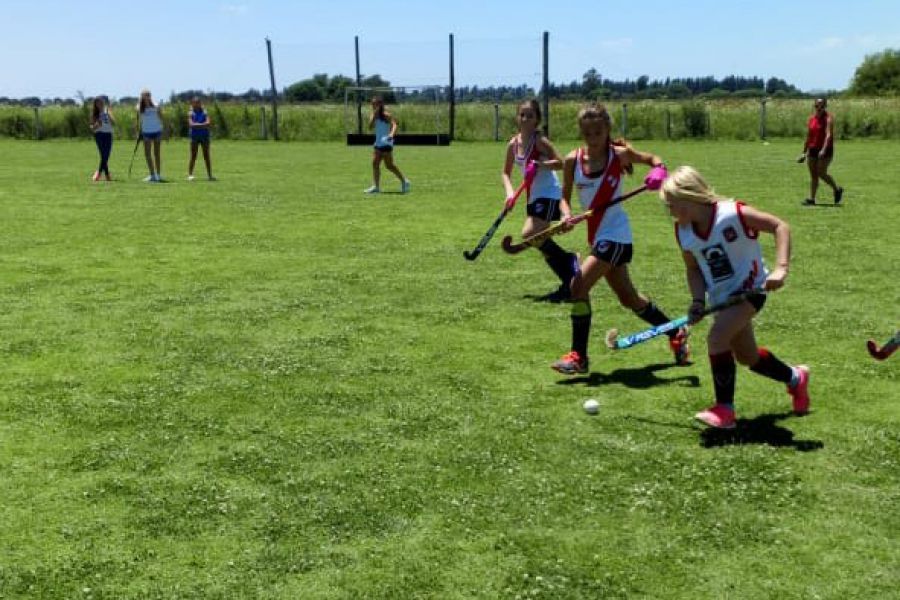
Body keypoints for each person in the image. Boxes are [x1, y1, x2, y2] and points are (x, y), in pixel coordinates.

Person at [660, 166, 810, 430]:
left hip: (750, 291)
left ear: (691, 197)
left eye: (672, 205)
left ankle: (724, 410)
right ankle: (796, 378)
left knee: (717, 338)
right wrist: (697, 301)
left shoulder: (733, 213)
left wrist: (781, 268)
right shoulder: (682, 231)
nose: (670, 212)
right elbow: (693, 268)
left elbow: (779, 226)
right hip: (722, 299)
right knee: (748, 357)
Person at [551, 104, 688, 375]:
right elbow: (563, 199)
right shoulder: (571, 161)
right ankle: (675, 331)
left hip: (617, 235)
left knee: (577, 286)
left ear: (607, 130)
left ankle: (578, 357)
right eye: (587, 132)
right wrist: (565, 216)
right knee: (630, 299)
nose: (593, 137)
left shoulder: (619, 155)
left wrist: (659, 172)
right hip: (597, 236)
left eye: (598, 131)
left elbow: (655, 160)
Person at [502, 99, 578, 302]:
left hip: (550, 192)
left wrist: (540, 164)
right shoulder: (513, 144)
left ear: (537, 120)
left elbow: (562, 164)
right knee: (538, 240)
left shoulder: (539, 141)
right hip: (533, 196)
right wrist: (509, 194)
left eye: (530, 115)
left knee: (530, 234)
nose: (526, 118)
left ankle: (569, 265)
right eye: (522, 114)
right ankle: (569, 279)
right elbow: (506, 174)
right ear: (517, 118)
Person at [798, 98, 843, 205]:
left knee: (821, 173)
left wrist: (823, 149)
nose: (819, 108)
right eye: (817, 106)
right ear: (814, 106)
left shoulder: (828, 119)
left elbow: (828, 135)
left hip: (825, 150)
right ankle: (812, 199)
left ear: (825, 107)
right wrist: (804, 153)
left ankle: (836, 189)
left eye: (821, 106)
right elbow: (809, 136)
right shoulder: (812, 119)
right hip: (813, 149)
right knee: (813, 175)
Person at [363, 96, 410, 194]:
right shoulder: (373, 115)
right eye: (372, 104)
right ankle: (376, 187)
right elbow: (370, 127)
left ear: (380, 105)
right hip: (378, 143)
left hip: (386, 142)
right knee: (375, 164)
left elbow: (394, 124)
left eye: (375, 104)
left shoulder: (386, 115)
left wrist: (391, 134)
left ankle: (404, 181)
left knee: (389, 166)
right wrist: (374, 117)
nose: (373, 106)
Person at [136, 89, 165, 182]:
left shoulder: (156, 106)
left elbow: (162, 117)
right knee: (147, 154)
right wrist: (138, 132)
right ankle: (152, 175)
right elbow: (138, 121)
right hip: (146, 132)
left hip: (157, 131)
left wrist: (166, 129)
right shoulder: (139, 107)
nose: (146, 97)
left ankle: (158, 175)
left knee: (157, 154)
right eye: (144, 95)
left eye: (148, 95)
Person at [187, 96, 215, 181]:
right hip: (194, 137)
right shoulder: (191, 113)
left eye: (198, 102)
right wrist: (203, 125)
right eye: (195, 103)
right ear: (192, 104)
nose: (197, 104)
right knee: (193, 156)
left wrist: (197, 125)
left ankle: (209, 175)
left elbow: (208, 123)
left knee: (206, 156)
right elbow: (191, 124)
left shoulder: (205, 112)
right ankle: (190, 174)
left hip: (205, 136)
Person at [89, 96, 114, 182]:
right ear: (95, 105)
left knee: (106, 155)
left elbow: (114, 122)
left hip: (108, 134)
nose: (100, 104)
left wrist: (110, 116)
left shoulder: (107, 110)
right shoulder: (94, 114)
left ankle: (100, 173)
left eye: (101, 102)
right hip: (99, 135)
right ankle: (104, 175)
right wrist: (96, 124)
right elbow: (92, 128)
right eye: (98, 103)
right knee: (103, 155)